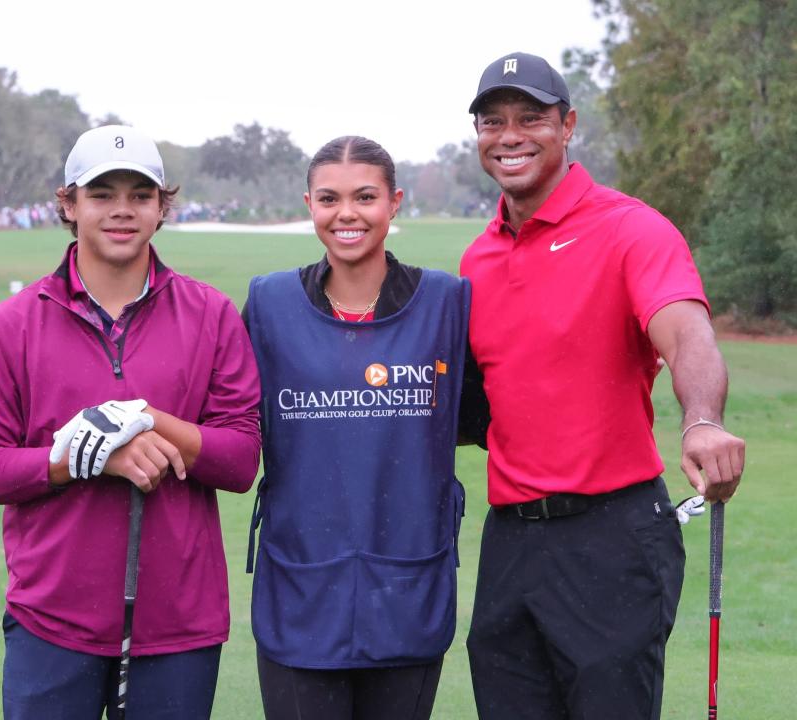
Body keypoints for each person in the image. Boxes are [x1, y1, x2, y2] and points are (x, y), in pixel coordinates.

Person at [458, 52, 746, 720]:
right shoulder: (478, 258)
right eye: (492, 121)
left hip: (612, 538)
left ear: (568, 126)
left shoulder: (631, 229)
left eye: (530, 118)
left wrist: (701, 418)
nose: (510, 135)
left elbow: (686, 332)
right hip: (510, 542)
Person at [0, 124, 261, 720]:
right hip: (51, 621)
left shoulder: (211, 314)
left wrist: (149, 420)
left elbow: (240, 460)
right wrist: (81, 458)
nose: (122, 211)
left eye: (141, 195)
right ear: (68, 204)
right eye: (101, 194)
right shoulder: (12, 324)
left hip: (178, 625)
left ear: (161, 207)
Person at [244, 136, 478, 719]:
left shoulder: (447, 303)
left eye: (365, 196)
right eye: (329, 198)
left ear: (394, 202)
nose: (347, 213)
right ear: (309, 204)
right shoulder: (269, 304)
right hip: (300, 592)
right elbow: (229, 423)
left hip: (409, 588)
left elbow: (486, 415)